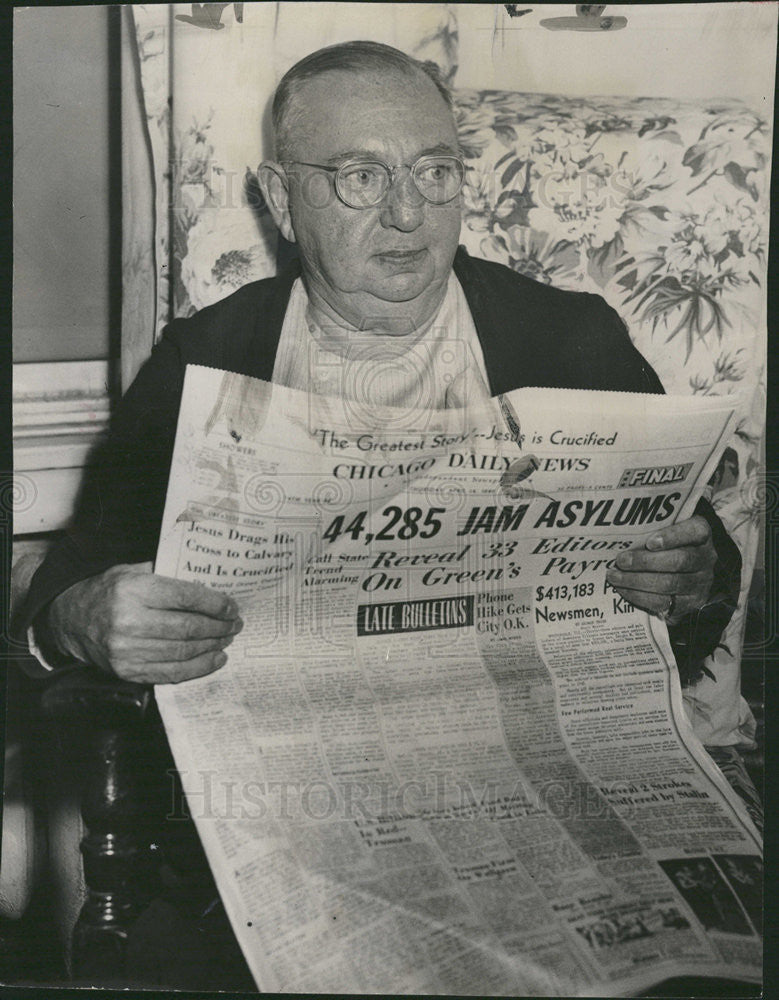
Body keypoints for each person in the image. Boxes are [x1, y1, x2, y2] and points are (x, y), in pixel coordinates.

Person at [18, 40, 740, 695]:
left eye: (433, 172)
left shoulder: (569, 338)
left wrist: (686, 581)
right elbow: (63, 594)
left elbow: (701, 559)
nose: (406, 213)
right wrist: (77, 621)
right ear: (280, 198)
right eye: (361, 176)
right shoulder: (206, 356)